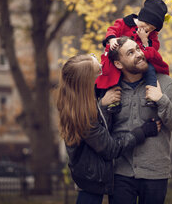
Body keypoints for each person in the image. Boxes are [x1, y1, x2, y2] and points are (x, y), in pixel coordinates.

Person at [57, 54, 162, 204]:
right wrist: (142, 131)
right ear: (87, 82)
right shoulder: (82, 115)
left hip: (90, 177)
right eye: (97, 71)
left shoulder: (80, 101)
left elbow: (100, 132)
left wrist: (102, 106)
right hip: (91, 181)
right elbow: (110, 148)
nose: (102, 69)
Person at [100, 37, 172, 204]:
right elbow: (97, 129)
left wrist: (161, 99)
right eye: (130, 53)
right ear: (118, 63)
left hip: (155, 173)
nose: (139, 54)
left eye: (138, 49)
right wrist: (102, 105)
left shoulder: (164, 83)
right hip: (120, 173)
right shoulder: (110, 89)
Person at [96, 0, 170, 112]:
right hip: (118, 58)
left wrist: (145, 41)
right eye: (146, 25)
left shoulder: (151, 35)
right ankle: (113, 101)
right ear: (142, 17)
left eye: (151, 28)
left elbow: (153, 50)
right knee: (111, 73)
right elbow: (112, 30)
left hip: (139, 61)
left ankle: (151, 94)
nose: (147, 29)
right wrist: (112, 40)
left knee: (150, 69)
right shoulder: (124, 23)